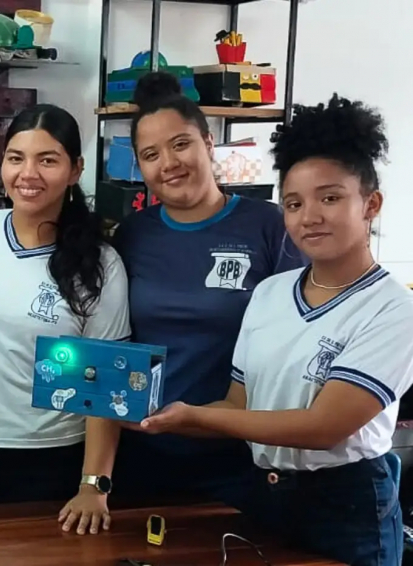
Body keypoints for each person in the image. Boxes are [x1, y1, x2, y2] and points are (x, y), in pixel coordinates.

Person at [133, 93, 412, 566]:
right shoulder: (270, 293)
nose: (310, 217)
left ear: (371, 204)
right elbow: (238, 405)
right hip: (263, 495)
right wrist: (157, 416)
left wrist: (194, 418)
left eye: (331, 198)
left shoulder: (394, 310)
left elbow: (324, 428)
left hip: (347, 504)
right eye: (294, 203)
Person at [58, 72, 306, 535]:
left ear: (209, 144)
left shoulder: (268, 226)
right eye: (151, 154)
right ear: (139, 165)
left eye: (180, 144)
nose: (168, 163)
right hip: (143, 453)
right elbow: (112, 343)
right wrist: (96, 480)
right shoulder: (132, 235)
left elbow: (299, 339)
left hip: (240, 455)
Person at [0, 103, 131, 509]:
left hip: (51, 458)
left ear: (75, 170)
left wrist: (93, 486)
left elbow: (105, 381)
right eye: (16, 158)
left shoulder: (100, 263)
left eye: (48, 160)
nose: (28, 174)